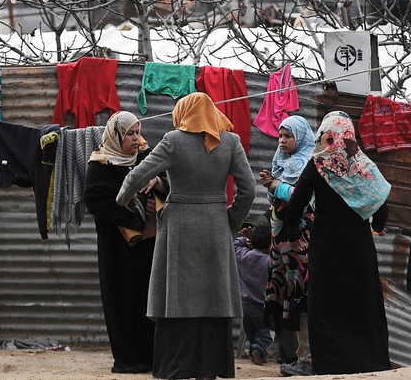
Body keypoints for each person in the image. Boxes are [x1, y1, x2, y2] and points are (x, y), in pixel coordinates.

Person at [116, 92, 256, 380]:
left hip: (179, 227)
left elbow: (138, 174)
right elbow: (249, 189)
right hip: (217, 226)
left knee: (177, 298)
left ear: (183, 113)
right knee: (213, 297)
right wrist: (230, 220)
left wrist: (122, 199)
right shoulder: (230, 142)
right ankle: (210, 368)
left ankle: (177, 368)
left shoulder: (173, 140)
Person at [284, 111, 391, 375]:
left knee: (326, 303)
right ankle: (370, 361)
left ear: (325, 135)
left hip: (326, 244)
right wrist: (377, 225)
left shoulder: (316, 165)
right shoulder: (362, 165)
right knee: (361, 301)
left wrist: (292, 233)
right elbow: (380, 202)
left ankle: (329, 364)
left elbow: (295, 205)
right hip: (357, 245)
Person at [83, 111, 166, 374]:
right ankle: (128, 359)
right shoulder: (100, 164)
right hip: (116, 246)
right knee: (120, 297)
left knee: (146, 297)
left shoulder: (145, 156)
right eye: (129, 133)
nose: (135, 138)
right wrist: (135, 212)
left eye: (137, 132)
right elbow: (95, 200)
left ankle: (151, 357)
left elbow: (166, 183)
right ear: (116, 135)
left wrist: (156, 193)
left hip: (146, 244)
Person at [258, 115, 314, 377]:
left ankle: (306, 359)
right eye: (280, 136)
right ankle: (289, 355)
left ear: (300, 138)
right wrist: (272, 184)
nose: (282, 141)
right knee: (282, 295)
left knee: (300, 296)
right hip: (280, 242)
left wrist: (277, 186)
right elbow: (276, 193)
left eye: (288, 136)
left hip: (299, 241)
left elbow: (302, 197)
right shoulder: (281, 161)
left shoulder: (308, 163)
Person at [234, 223, 273, 366]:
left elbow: (235, 244)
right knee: (265, 335)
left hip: (244, 306)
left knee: (252, 334)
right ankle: (258, 349)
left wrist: (245, 239)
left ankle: (257, 354)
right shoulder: (269, 261)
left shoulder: (243, 255)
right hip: (261, 306)